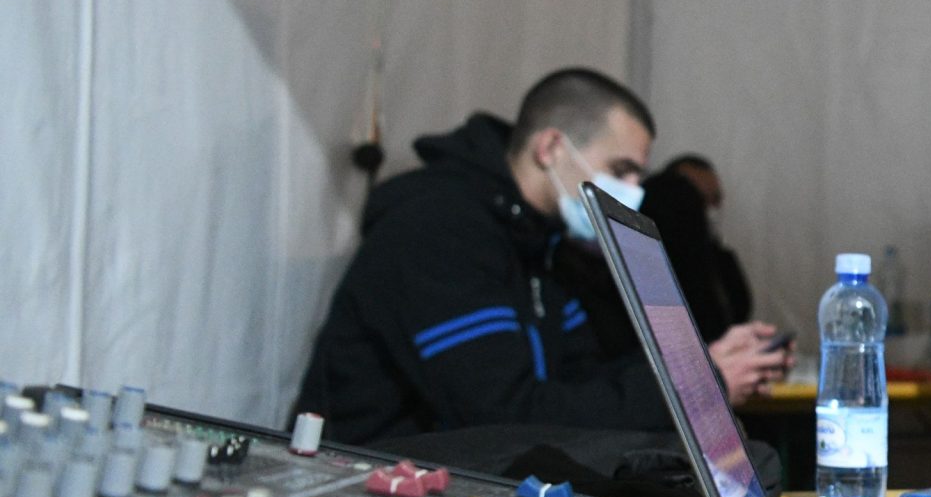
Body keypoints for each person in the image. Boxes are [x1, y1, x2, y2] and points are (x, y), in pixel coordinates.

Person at [298, 69, 788, 445]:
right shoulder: (439, 228)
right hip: (383, 494)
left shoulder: (541, 240)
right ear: (552, 147)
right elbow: (499, 416)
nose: (633, 192)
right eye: (621, 170)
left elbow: (582, 380)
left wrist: (697, 364)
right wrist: (696, 388)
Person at [642, 154, 754, 340]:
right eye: (699, 198)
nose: (709, 209)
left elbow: (738, 308)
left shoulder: (716, 254)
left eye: (716, 199)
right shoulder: (651, 262)